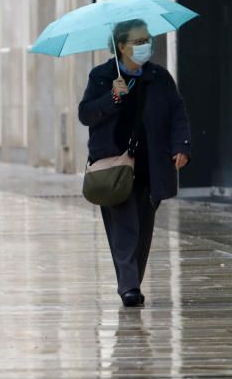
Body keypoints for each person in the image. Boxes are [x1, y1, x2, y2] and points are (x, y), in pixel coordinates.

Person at [78, 19, 191, 307]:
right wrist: (112, 97)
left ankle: (132, 282)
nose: (145, 46)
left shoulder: (159, 77)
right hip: (114, 166)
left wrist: (181, 147)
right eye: (138, 41)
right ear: (121, 45)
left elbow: (177, 113)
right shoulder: (102, 76)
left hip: (151, 165)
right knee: (125, 226)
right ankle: (129, 287)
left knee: (142, 230)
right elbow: (86, 114)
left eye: (147, 40)